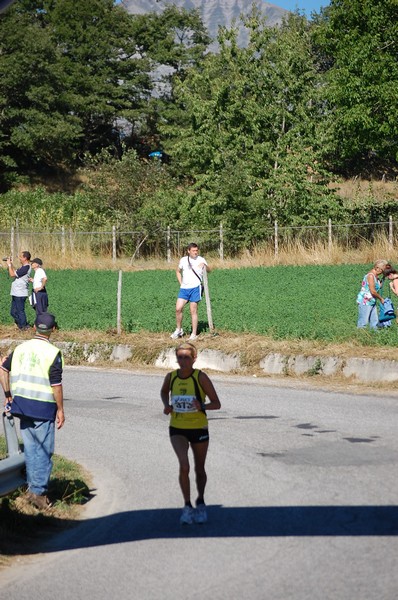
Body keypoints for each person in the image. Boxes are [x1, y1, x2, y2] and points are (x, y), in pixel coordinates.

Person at [0, 312, 65, 510]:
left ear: (34, 327)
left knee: (30, 449)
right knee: (44, 451)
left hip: (22, 407)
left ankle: (31, 488)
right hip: (43, 409)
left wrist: (8, 394)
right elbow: (56, 386)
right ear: (53, 330)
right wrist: (61, 409)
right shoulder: (53, 353)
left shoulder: (20, 348)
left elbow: (3, 369)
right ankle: (38, 493)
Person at [160, 342, 221, 525]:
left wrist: (201, 406)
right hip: (177, 428)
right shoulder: (171, 377)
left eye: (187, 357)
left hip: (198, 428)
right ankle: (187, 506)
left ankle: (200, 501)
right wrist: (166, 405)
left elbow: (217, 403)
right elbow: (164, 392)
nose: (183, 360)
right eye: (180, 357)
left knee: (199, 468)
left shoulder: (200, 377)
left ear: (194, 358)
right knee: (184, 466)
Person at [171, 243, 210, 341]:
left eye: (196, 250)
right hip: (184, 289)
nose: (195, 252)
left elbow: (209, 270)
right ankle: (179, 330)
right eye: (193, 251)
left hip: (195, 288)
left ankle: (193, 334)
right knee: (178, 309)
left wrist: (205, 266)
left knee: (193, 310)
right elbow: (178, 271)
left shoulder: (201, 259)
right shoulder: (183, 260)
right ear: (188, 251)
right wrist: (181, 284)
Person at [356, 259, 388, 329]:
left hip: (372, 301)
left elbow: (379, 286)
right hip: (365, 301)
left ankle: (374, 337)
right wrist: (381, 299)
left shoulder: (376, 276)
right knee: (363, 322)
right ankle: (359, 337)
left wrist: (384, 277)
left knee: (374, 322)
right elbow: (373, 291)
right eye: (383, 270)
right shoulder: (370, 276)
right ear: (378, 268)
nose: (383, 272)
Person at [6, 251, 31, 330]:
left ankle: (24, 327)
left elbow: (12, 274)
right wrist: (11, 264)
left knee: (20, 311)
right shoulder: (22, 267)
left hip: (20, 293)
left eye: (21, 257)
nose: (19, 258)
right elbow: (14, 272)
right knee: (13, 312)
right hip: (16, 292)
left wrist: (9, 265)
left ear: (25, 258)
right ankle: (23, 325)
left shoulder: (26, 267)